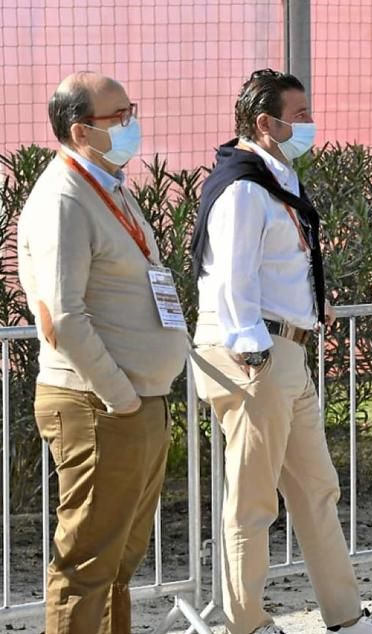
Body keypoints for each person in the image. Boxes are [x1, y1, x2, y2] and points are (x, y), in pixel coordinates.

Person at [190, 69, 372, 634]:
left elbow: (275, 267)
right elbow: (232, 278)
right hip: (255, 354)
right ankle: (246, 625)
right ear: (266, 123)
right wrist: (253, 349)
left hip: (285, 352)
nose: (308, 123)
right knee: (253, 503)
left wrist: (309, 311)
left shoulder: (274, 181)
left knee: (316, 490)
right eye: (300, 114)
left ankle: (346, 617)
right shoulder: (242, 187)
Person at [17, 71, 190, 633]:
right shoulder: (63, 198)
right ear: (80, 131)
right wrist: (118, 396)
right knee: (87, 563)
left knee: (116, 562)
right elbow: (63, 315)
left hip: (134, 400)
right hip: (98, 403)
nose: (130, 123)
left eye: (129, 110)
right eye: (117, 116)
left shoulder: (108, 185)